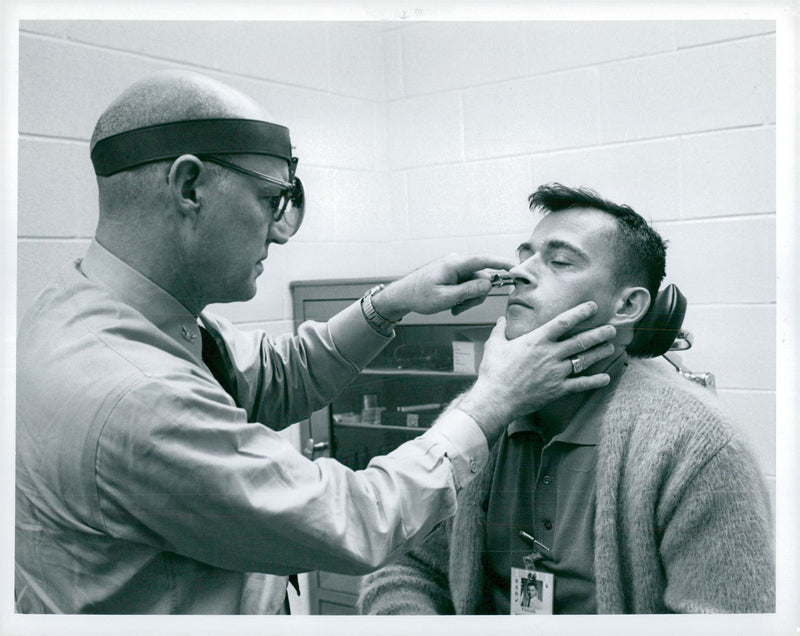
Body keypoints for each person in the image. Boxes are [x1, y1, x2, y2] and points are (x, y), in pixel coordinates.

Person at [15, 72, 618, 615]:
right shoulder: (133, 391)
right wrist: (492, 401)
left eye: (561, 260)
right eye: (271, 200)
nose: (280, 233)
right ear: (190, 187)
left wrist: (391, 302)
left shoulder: (98, 311)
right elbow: (357, 520)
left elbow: (276, 375)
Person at [358, 183, 775, 615]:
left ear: (627, 305)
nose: (520, 274)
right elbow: (405, 570)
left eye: (559, 261)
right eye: (524, 258)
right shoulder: (479, 415)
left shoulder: (698, 446)